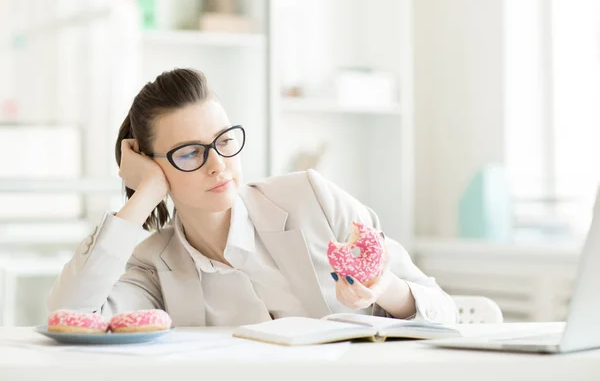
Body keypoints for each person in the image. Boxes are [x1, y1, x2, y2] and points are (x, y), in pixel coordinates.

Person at [47, 68, 457, 326]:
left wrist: (380, 286)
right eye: (189, 153)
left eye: (224, 140)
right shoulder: (154, 265)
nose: (218, 164)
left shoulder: (311, 198)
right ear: (154, 166)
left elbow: (443, 310)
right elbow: (68, 317)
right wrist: (143, 197)